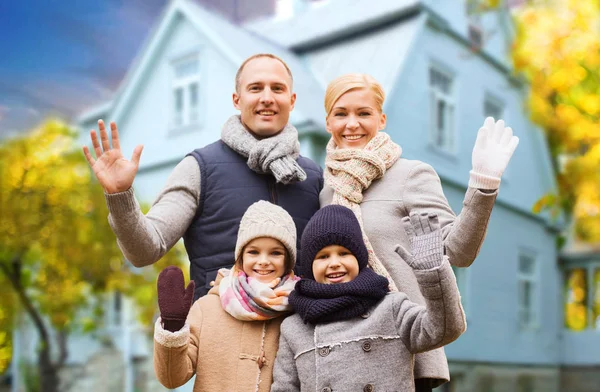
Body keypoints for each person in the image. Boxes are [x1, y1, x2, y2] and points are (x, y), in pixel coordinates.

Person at [319, 74, 519, 390]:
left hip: (404, 346)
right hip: (345, 351)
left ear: (381, 119)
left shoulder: (411, 175)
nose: (352, 123)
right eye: (341, 113)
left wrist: (483, 184)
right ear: (328, 121)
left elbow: (459, 252)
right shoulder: (328, 191)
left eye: (364, 113)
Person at [82, 53, 322, 299]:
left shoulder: (312, 177)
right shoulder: (200, 168)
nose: (267, 98)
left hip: (293, 332)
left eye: (277, 89)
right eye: (255, 88)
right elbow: (145, 250)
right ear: (237, 100)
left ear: (291, 100)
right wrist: (120, 196)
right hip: (218, 330)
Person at [271, 205, 466, 392]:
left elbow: (446, 329)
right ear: (308, 266)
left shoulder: (391, 307)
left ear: (360, 258)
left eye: (344, 253)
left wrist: (433, 274)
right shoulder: (293, 327)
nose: (334, 263)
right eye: (323, 256)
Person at [154, 201, 300, 391]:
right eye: (253, 252)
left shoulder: (298, 309)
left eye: (275, 253)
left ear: (288, 260)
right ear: (240, 256)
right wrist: (173, 328)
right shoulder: (206, 309)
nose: (263, 261)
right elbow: (171, 379)